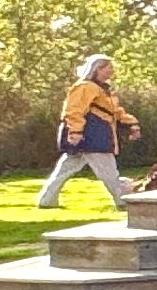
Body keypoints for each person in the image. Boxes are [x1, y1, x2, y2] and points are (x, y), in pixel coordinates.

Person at [36, 54, 137, 208]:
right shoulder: (85, 87)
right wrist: (75, 132)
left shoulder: (100, 89)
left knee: (64, 171)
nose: (111, 71)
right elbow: (74, 110)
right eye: (108, 67)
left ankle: (47, 201)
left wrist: (132, 123)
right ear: (98, 69)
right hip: (93, 137)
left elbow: (114, 112)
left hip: (90, 136)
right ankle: (123, 200)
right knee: (109, 173)